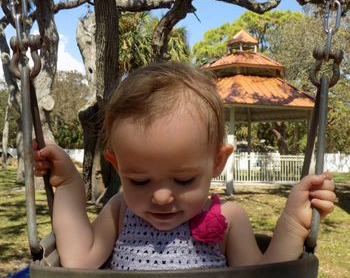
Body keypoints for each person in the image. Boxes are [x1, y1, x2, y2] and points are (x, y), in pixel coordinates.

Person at [33, 61, 336, 270]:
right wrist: (69, 184)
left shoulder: (229, 218)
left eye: (184, 180)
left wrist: (293, 225)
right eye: (139, 181)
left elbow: (263, 274)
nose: (162, 197)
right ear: (117, 164)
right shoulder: (120, 209)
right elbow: (77, 259)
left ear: (217, 162)